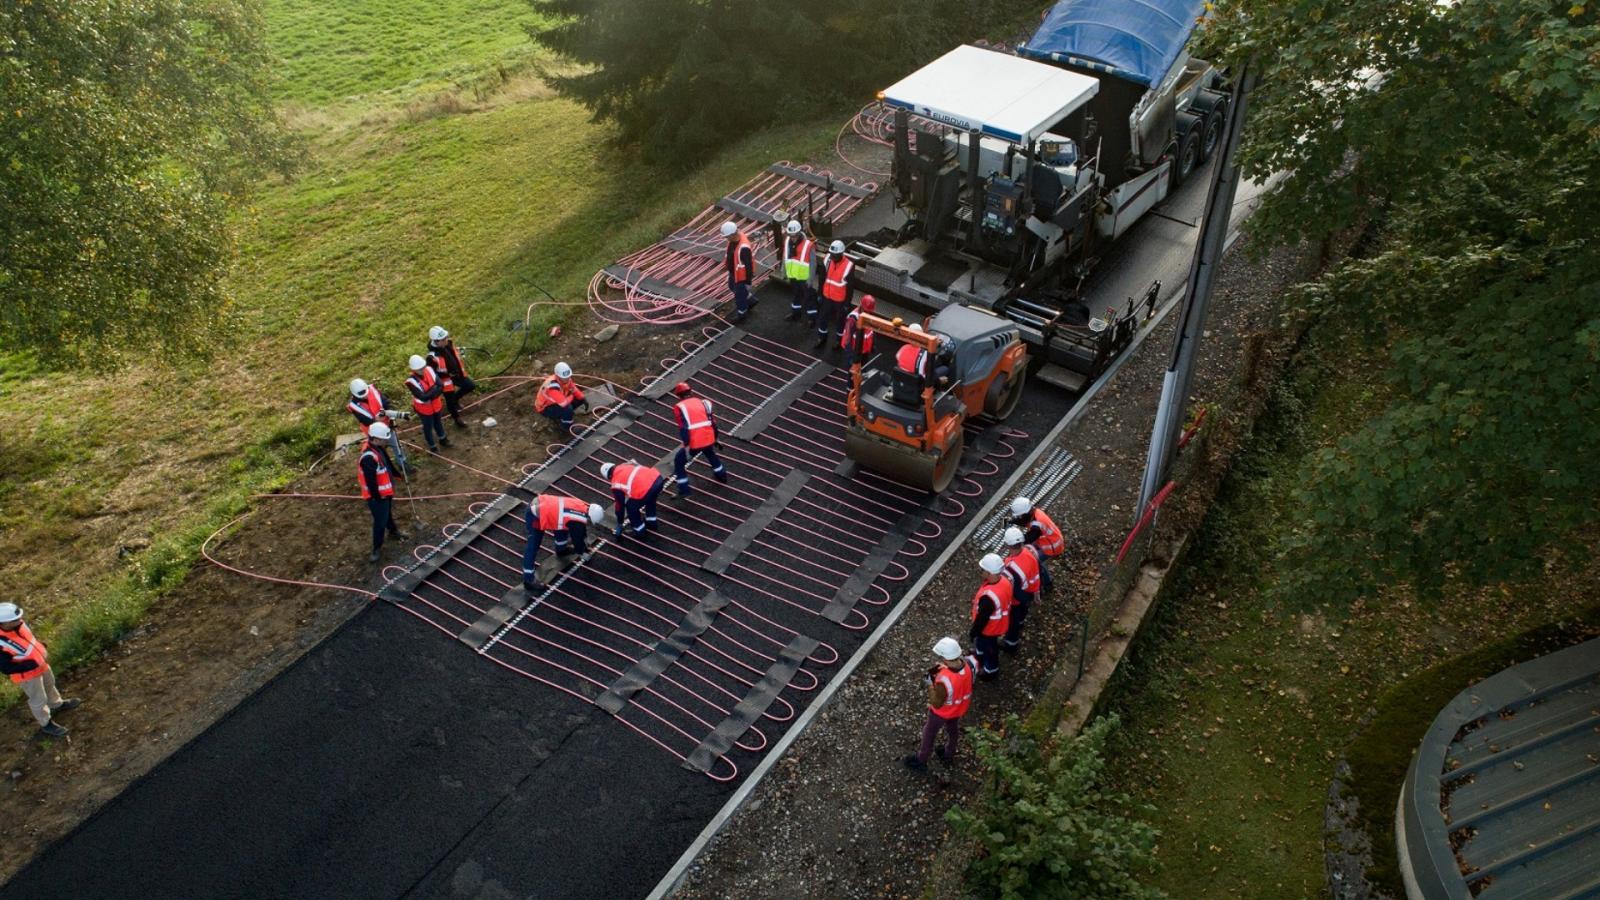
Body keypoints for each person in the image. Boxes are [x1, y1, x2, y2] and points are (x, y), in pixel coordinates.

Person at [0, 603, 81, 738]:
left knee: (50, 685)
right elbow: (6, 668)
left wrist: (40, 646)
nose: (19, 620)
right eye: (14, 620)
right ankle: (46, 723)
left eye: (19, 617)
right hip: (27, 676)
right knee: (38, 699)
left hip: (41, 665)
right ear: (3, 623)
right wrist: (28, 665)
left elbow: (28, 641)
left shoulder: (19, 624)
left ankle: (56, 704)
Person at [903, 637, 976, 771]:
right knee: (952, 730)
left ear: (946, 658)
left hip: (941, 713)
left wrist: (930, 685)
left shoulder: (944, 680)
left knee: (929, 733)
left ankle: (921, 759)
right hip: (958, 709)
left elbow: (936, 703)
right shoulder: (968, 665)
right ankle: (949, 753)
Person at [523, 495, 605, 590]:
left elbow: (577, 528)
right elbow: (577, 539)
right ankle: (528, 579)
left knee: (562, 524)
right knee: (533, 546)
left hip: (543, 503)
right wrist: (582, 552)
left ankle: (561, 550)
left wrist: (584, 542)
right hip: (535, 513)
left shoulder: (581, 505)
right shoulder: (577, 521)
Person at [671, 381, 728, 497]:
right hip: (709, 437)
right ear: (691, 392)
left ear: (678, 395)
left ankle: (684, 490)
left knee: (679, 461)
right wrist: (716, 439)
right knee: (709, 452)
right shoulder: (704, 403)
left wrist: (686, 444)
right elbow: (713, 423)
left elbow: (684, 428)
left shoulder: (679, 407)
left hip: (695, 441)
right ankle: (722, 475)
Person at [359, 423, 405, 563]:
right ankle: (376, 548)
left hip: (386, 492)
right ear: (377, 439)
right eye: (384, 439)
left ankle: (393, 531)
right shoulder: (368, 458)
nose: (386, 442)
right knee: (380, 521)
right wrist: (378, 497)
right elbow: (371, 482)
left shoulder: (378, 448)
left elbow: (387, 465)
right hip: (377, 496)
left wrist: (396, 475)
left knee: (387, 514)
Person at [347, 377, 410, 474]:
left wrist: (391, 416)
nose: (365, 396)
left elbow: (386, 403)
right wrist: (375, 420)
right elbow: (364, 420)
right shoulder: (354, 406)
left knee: (396, 445)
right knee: (380, 453)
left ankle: (403, 464)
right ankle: (386, 470)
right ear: (354, 394)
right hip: (373, 434)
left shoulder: (373, 390)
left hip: (386, 426)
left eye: (365, 393)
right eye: (361, 395)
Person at [968, 553, 1013, 680]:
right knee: (984, 645)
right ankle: (979, 655)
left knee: (990, 650)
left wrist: (973, 632)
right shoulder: (1004, 581)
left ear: (990, 573)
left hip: (989, 629)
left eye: (983, 570)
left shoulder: (988, 598)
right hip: (997, 625)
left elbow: (981, 619)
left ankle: (990, 671)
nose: (981, 572)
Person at [1000, 526, 1043, 652]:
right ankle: (1020, 622)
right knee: (1021, 614)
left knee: (1012, 623)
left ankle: (1011, 644)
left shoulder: (1009, 566)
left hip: (1016, 600)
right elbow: (1035, 575)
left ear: (1008, 545)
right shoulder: (1029, 553)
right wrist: (1036, 593)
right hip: (1029, 593)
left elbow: (1009, 588)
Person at [1009, 496, 1065, 590]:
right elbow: (1025, 521)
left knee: (1035, 561)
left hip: (1053, 546)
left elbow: (1028, 538)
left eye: (1019, 516)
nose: (1019, 518)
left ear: (1026, 513)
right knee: (1031, 551)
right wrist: (1012, 521)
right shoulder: (1034, 512)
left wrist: (1014, 539)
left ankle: (1048, 583)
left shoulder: (1037, 525)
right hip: (1047, 540)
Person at [426, 326, 477, 428]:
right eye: (443, 339)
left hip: (457, 374)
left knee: (470, 386)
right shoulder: (431, 357)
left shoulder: (448, 344)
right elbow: (432, 374)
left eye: (446, 337)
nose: (446, 340)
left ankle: (456, 399)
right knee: (449, 401)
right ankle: (457, 419)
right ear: (436, 341)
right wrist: (447, 375)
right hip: (445, 380)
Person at [601, 460, 665, 537]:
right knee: (650, 498)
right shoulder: (624, 465)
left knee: (631, 507)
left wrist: (620, 522)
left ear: (609, 477)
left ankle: (639, 530)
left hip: (647, 489)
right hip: (657, 479)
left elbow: (620, 505)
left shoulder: (616, 483)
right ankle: (651, 522)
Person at [406, 355, 451, 452]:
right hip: (424, 409)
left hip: (436, 405)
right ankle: (432, 446)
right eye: (419, 369)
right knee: (428, 427)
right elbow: (422, 397)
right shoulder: (411, 382)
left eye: (423, 367)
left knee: (438, 422)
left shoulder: (429, 369)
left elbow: (441, 385)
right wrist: (434, 389)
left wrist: (431, 393)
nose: (422, 370)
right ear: (413, 369)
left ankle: (443, 439)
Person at [814, 240, 853, 349]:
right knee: (822, 318)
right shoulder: (827, 259)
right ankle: (822, 337)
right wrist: (820, 293)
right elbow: (822, 278)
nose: (833, 257)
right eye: (832, 254)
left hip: (840, 300)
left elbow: (850, 287)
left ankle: (839, 341)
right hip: (827, 296)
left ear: (841, 254)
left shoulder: (849, 266)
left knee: (840, 321)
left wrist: (847, 303)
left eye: (835, 255)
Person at [534, 362, 588, 434]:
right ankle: (566, 427)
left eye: (568, 376)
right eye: (564, 377)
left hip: (558, 401)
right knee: (568, 408)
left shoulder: (566, 379)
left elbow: (573, 388)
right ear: (558, 376)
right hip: (545, 408)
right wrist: (572, 396)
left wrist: (582, 398)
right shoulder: (552, 387)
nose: (567, 378)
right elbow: (564, 403)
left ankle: (563, 415)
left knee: (577, 399)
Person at [780, 220, 816, 323]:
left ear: (799, 233)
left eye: (794, 236)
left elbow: (813, 264)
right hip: (793, 276)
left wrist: (810, 279)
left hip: (804, 278)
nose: (793, 238)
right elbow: (785, 256)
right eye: (791, 236)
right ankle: (796, 314)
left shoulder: (808, 245)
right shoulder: (787, 241)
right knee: (796, 295)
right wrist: (784, 271)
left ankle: (812, 319)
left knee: (809, 297)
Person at [721, 221, 756, 322]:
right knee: (731, 286)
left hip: (741, 277)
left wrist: (748, 282)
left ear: (732, 235)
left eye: (727, 236)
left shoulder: (744, 248)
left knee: (739, 297)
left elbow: (749, 265)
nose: (726, 239)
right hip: (734, 273)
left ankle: (742, 314)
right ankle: (750, 300)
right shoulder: (733, 240)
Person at [840, 294, 878, 366]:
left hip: (864, 350)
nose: (868, 313)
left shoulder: (869, 314)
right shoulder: (853, 318)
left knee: (863, 371)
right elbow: (847, 338)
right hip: (855, 351)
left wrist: (873, 345)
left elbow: (872, 331)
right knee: (853, 373)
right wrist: (850, 356)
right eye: (866, 311)